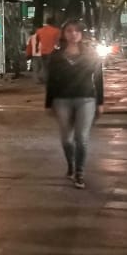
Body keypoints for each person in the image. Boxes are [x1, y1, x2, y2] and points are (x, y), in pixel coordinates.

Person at [45, 19, 103, 189]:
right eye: (69, 31)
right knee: (66, 139)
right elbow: (52, 81)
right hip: (62, 99)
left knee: (81, 138)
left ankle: (79, 172)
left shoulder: (91, 54)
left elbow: (99, 79)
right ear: (64, 34)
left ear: (81, 34)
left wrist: (100, 102)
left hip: (86, 98)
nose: (73, 34)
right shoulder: (56, 56)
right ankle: (70, 164)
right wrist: (49, 103)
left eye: (77, 31)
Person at [29, 15, 61, 84]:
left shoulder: (39, 31)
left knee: (45, 67)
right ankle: (49, 80)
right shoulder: (56, 31)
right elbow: (58, 42)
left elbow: (36, 40)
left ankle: (45, 79)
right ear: (54, 23)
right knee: (52, 67)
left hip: (42, 52)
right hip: (52, 52)